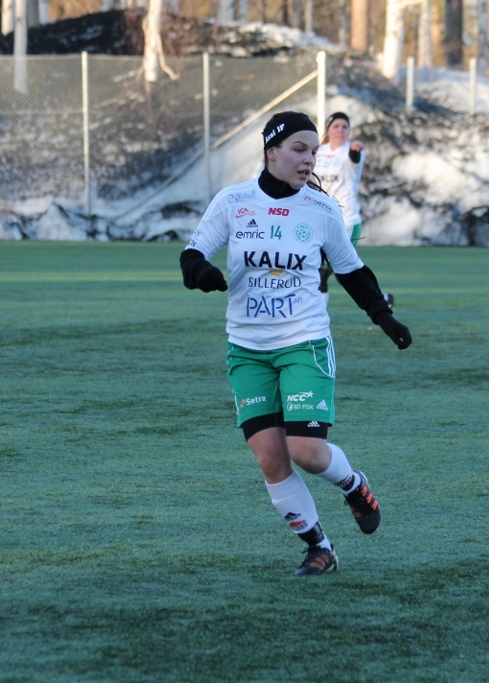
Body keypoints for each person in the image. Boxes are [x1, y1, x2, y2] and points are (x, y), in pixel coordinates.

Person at [179, 111, 412, 576]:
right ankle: (319, 547)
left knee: (305, 451)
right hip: (247, 350)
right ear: (271, 152)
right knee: (271, 457)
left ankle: (353, 484)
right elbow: (192, 254)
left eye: (313, 151)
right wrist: (202, 273)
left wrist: (382, 316)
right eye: (299, 150)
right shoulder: (234, 201)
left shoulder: (321, 209)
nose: (309, 160)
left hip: (304, 342)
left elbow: (352, 271)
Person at [314, 112, 394, 307]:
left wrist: (356, 150)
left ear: (349, 131)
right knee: (345, 271)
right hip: (322, 220)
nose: (340, 130)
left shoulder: (350, 151)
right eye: (336, 126)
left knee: (321, 271)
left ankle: (316, 316)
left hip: (346, 221)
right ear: (328, 130)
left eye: (345, 127)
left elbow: (354, 158)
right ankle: (381, 299)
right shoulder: (318, 152)